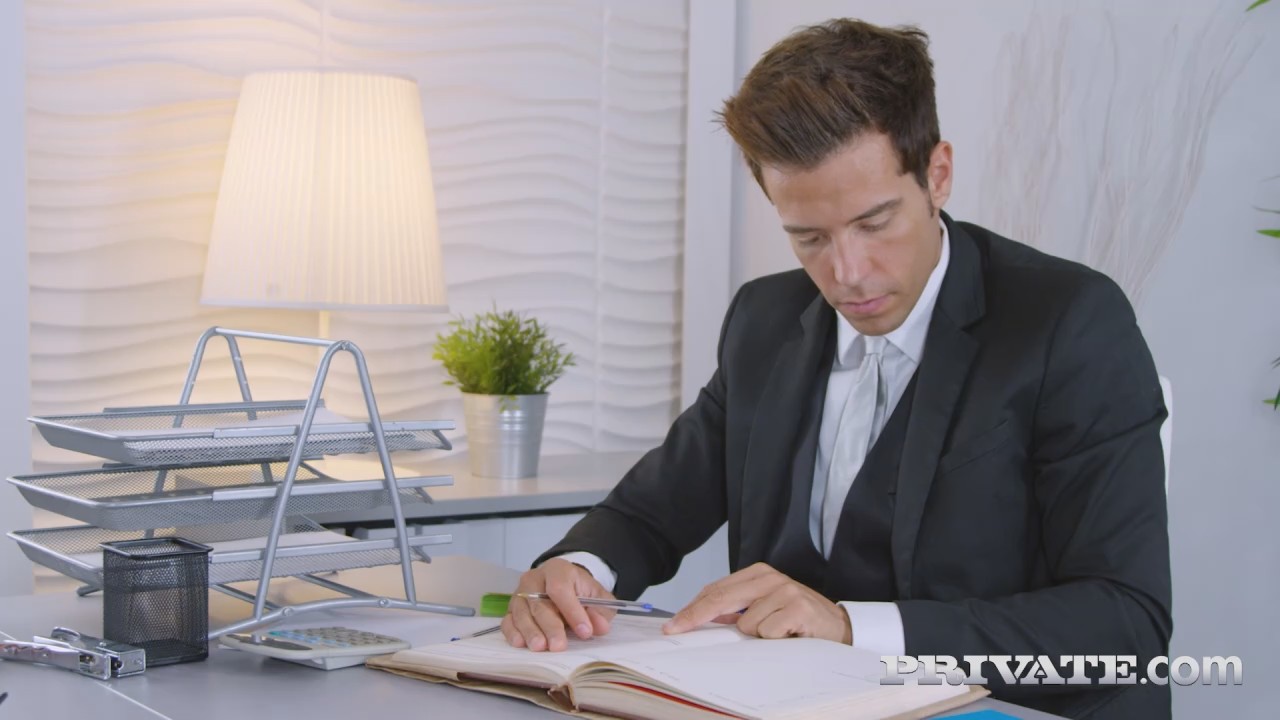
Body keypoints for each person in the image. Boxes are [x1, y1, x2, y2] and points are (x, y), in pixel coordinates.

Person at [499, 18, 1171, 719]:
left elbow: (1126, 622)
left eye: (875, 223)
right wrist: (578, 569)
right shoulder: (763, 321)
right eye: (809, 237)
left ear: (937, 175)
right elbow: (651, 511)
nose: (847, 273)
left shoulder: (1069, 322)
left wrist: (853, 628)